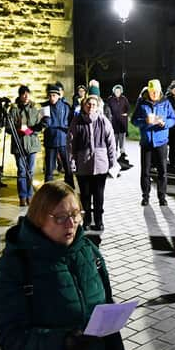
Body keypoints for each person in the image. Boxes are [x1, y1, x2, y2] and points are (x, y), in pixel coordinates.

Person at [0, 181, 125, 350]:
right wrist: (63, 343)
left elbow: (106, 307)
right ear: (39, 218)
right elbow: (9, 336)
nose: (71, 224)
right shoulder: (17, 264)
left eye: (76, 214)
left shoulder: (89, 252)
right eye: (61, 218)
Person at [68, 94, 116, 245]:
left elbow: (111, 142)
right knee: (85, 195)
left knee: (99, 195)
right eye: (88, 104)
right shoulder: (77, 121)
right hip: (83, 164)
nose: (91, 107)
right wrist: (72, 162)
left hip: (100, 164)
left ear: (98, 106)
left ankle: (99, 220)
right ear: (83, 106)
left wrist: (112, 162)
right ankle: (87, 220)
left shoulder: (103, 121)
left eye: (94, 105)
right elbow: (70, 143)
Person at [131, 79, 175, 206]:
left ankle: (162, 197)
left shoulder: (165, 102)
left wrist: (165, 123)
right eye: (152, 92)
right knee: (145, 171)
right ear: (148, 91)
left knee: (162, 171)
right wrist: (145, 121)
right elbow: (134, 120)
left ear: (160, 91)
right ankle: (145, 196)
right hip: (147, 142)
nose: (155, 94)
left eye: (157, 92)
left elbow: (173, 119)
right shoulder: (142, 103)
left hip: (161, 142)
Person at [7, 85, 45, 206]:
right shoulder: (14, 110)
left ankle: (30, 195)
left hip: (32, 144)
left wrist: (30, 130)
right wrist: (18, 130)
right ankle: (23, 196)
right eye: (24, 94)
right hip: (19, 145)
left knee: (30, 171)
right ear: (20, 95)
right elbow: (8, 128)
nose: (26, 96)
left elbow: (39, 125)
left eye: (28, 93)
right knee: (22, 171)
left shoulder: (35, 108)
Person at [41, 83, 74, 188]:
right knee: (49, 168)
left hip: (63, 140)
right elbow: (41, 123)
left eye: (54, 95)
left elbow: (70, 122)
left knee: (67, 167)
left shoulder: (66, 107)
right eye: (50, 96)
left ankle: (70, 187)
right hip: (50, 141)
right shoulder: (45, 107)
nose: (52, 98)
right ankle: (48, 190)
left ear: (59, 96)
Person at [106, 84, 130, 160]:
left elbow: (128, 108)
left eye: (119, 91)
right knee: (114, 137)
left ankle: (122, 152)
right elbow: (107, 110)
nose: (117, 92)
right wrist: (109, 117)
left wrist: (126, 114)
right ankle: (114, 151)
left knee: (122, 137)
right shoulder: (110, 99)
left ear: (121, 92)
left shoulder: (124, 99)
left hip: (122, 122)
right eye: (116, 91)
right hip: (113, 122)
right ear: (114, 91)